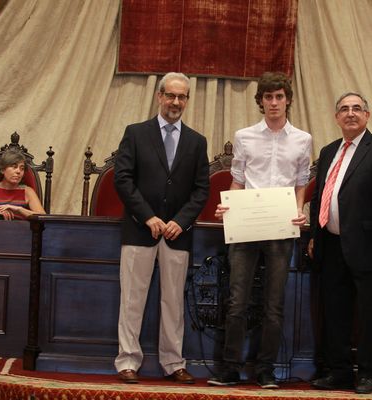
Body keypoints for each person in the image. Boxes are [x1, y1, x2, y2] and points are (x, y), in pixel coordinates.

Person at [207, 72, 312, 389]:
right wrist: (228, 207)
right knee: (237, 300)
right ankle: (230, 368)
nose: (274, 102)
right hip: (247, 224)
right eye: (268, 97)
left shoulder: (303, 139)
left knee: (274, 304)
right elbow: (237, 180)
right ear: (261, 101)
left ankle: (266, 370)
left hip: (281, 226)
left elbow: (301, 183)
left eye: (279, 96)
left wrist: (299, 210)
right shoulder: (245, 136)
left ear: (288, 100)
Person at [307, 92, 372, 394]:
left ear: (367, 115)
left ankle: (367, 372)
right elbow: (320, 197)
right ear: (336, 117)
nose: (350, 113)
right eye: (344, 109)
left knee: (368, 314)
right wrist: (314, 236)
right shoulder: (328, 151)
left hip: (370, 246)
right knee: (335, 312)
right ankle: (338, 372)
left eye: (356, 108)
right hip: (331, 245)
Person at [113, 72, 209, 385]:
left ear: (187, 100)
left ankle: (173, 363)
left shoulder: (197, 141)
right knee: (132, 300)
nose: (175, 102)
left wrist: (180, 221)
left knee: (173, 303)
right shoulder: (136, 133)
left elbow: (201, 190)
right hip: (139, 230)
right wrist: (148, 217)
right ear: (159, 96)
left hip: (177, 236)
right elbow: (122, 179)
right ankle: (128, 361)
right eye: (170, 95)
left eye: (182, 97)